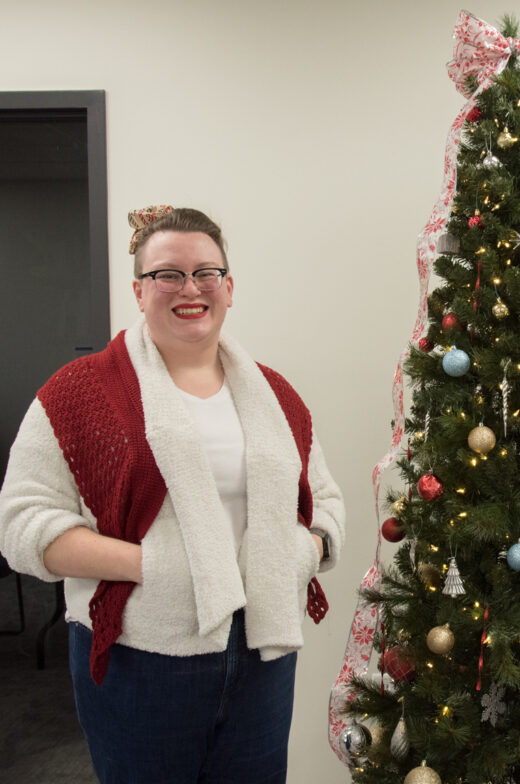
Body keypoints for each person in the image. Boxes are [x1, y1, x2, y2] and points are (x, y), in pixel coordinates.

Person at [0, 206, 345, 783]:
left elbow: (325, 503)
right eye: (168, 274)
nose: (190, 288)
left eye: (206, 273)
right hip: (144, 659)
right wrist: (153, 565)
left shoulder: (275, 395)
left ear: (228, 288)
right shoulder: (77, 394)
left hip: (262, 653)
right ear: (139, 291)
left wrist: (301, 552)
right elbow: (22, 525)